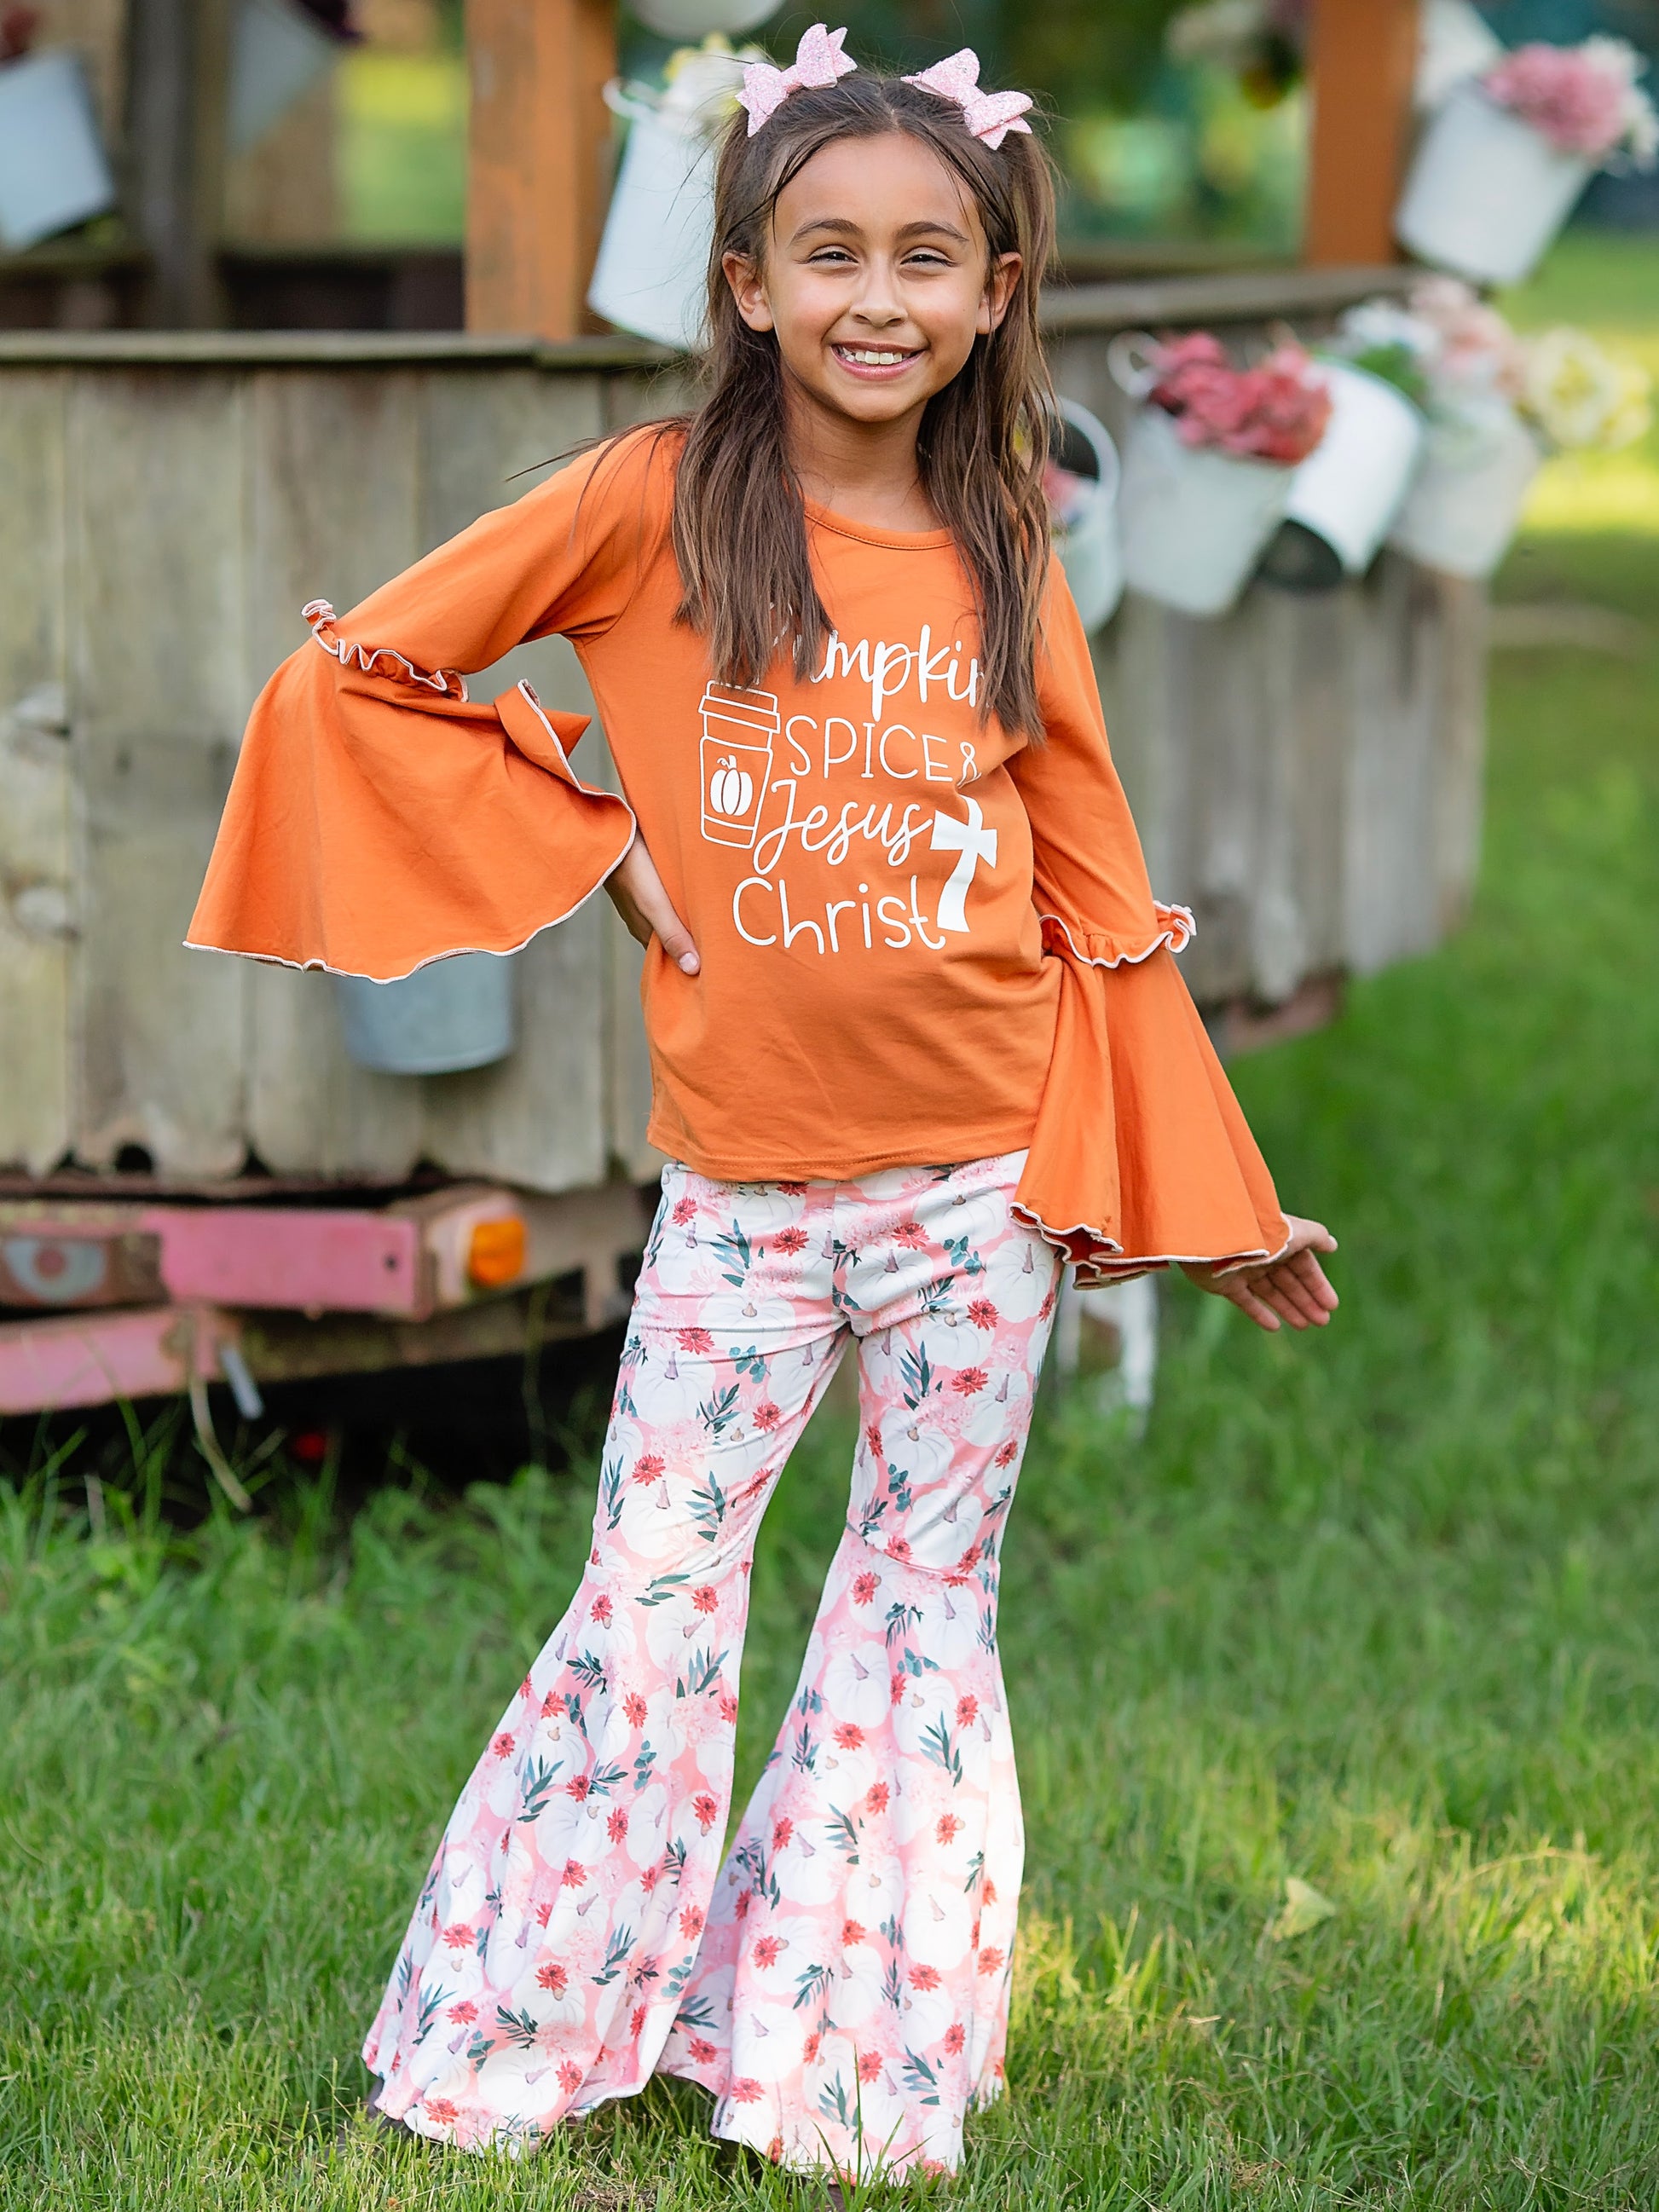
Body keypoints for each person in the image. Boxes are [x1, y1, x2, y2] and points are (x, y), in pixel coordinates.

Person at [188, 26, 1338, 2184]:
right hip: (740, 1196)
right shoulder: (649, 501)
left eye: (930, 255)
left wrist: (1215, 1190)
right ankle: (516, 2043)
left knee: (917, 1604)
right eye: (827, 254)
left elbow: (1093, 878)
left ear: (1001, 291)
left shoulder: (1004, 532)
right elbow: (366, 670)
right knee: (654, 1587)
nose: (877, 297)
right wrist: (590, 830)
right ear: (744, 281)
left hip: (978, 1188)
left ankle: (838, 2071)